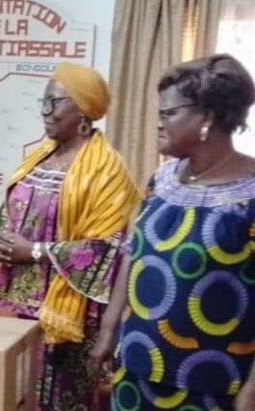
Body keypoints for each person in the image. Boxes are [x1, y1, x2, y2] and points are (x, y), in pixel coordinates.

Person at [91, 54, 255, 411]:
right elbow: (133, 254)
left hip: (211, 381)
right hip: (136, 367)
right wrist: (108, 330)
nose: (158, 123)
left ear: (207, 118)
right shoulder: (162, 179)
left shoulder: (250, 194)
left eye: (168, 114)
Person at [0, 63, 140, 411]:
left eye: (54, 102)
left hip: (73, 315)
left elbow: (108, 248)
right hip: (26, 310)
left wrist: (34, 251)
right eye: (43, 102)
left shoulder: (107, 169)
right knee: (21, 397)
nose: (45, 111)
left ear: (83, 109)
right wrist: (4, 243)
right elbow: (18, 212)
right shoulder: (39, 158)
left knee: (62, 400)